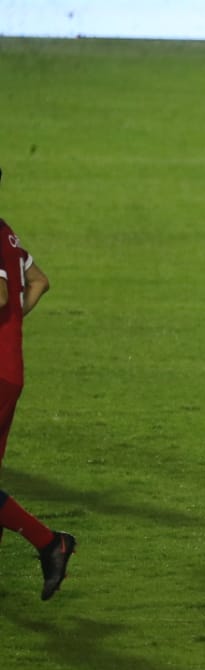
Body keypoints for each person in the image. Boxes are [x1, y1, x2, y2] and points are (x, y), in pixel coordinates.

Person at [0, 165, 76, 599]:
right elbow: (39, 282)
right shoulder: (6, 232)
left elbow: (1, 292)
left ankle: (50, 542)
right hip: (9, 370)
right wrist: (11, 326)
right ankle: (51, 544)